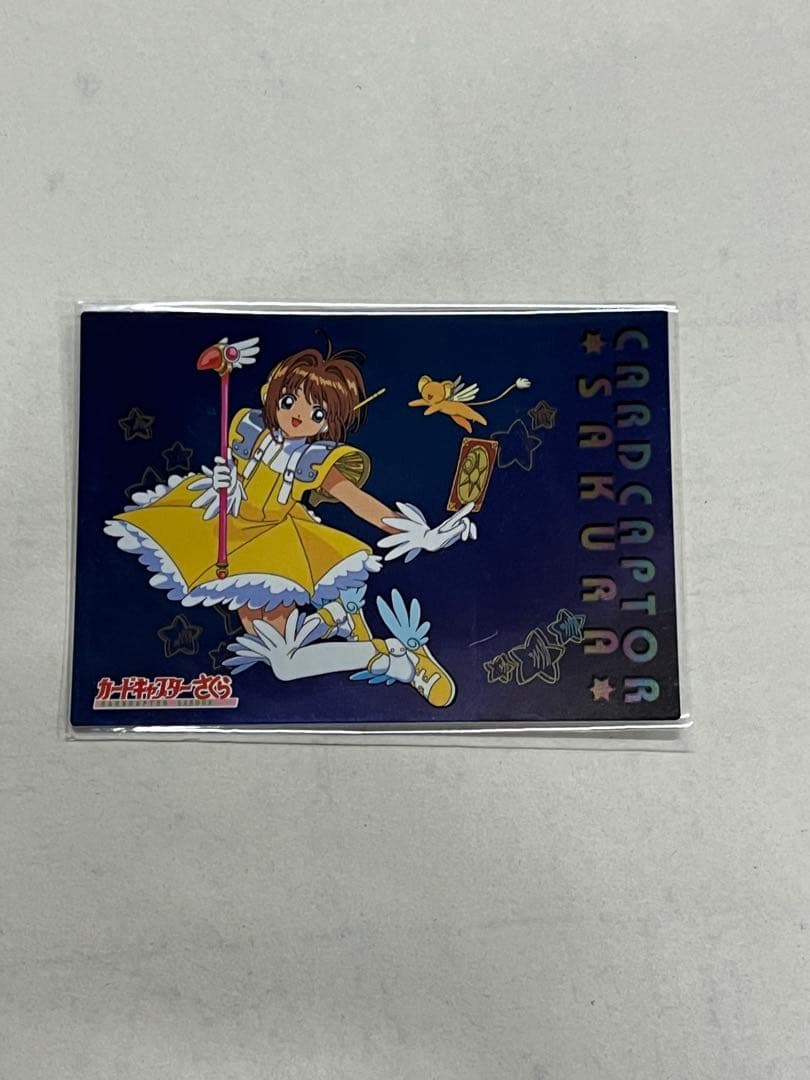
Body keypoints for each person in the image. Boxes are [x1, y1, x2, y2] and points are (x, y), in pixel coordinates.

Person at [105, 336, 477, 706]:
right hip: (232, 534)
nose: (298, 415)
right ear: (273, 395)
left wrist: (420, 534)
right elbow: (237, 473)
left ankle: (398, 660)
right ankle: (336, 616)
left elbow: (357, 501)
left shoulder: (313, 460)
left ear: (328, 423)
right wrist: (227, 482)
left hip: (275, 547)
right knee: (273, 643)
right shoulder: (249, 428)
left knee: (284, 662)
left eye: (317, 413)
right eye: (288, 401)